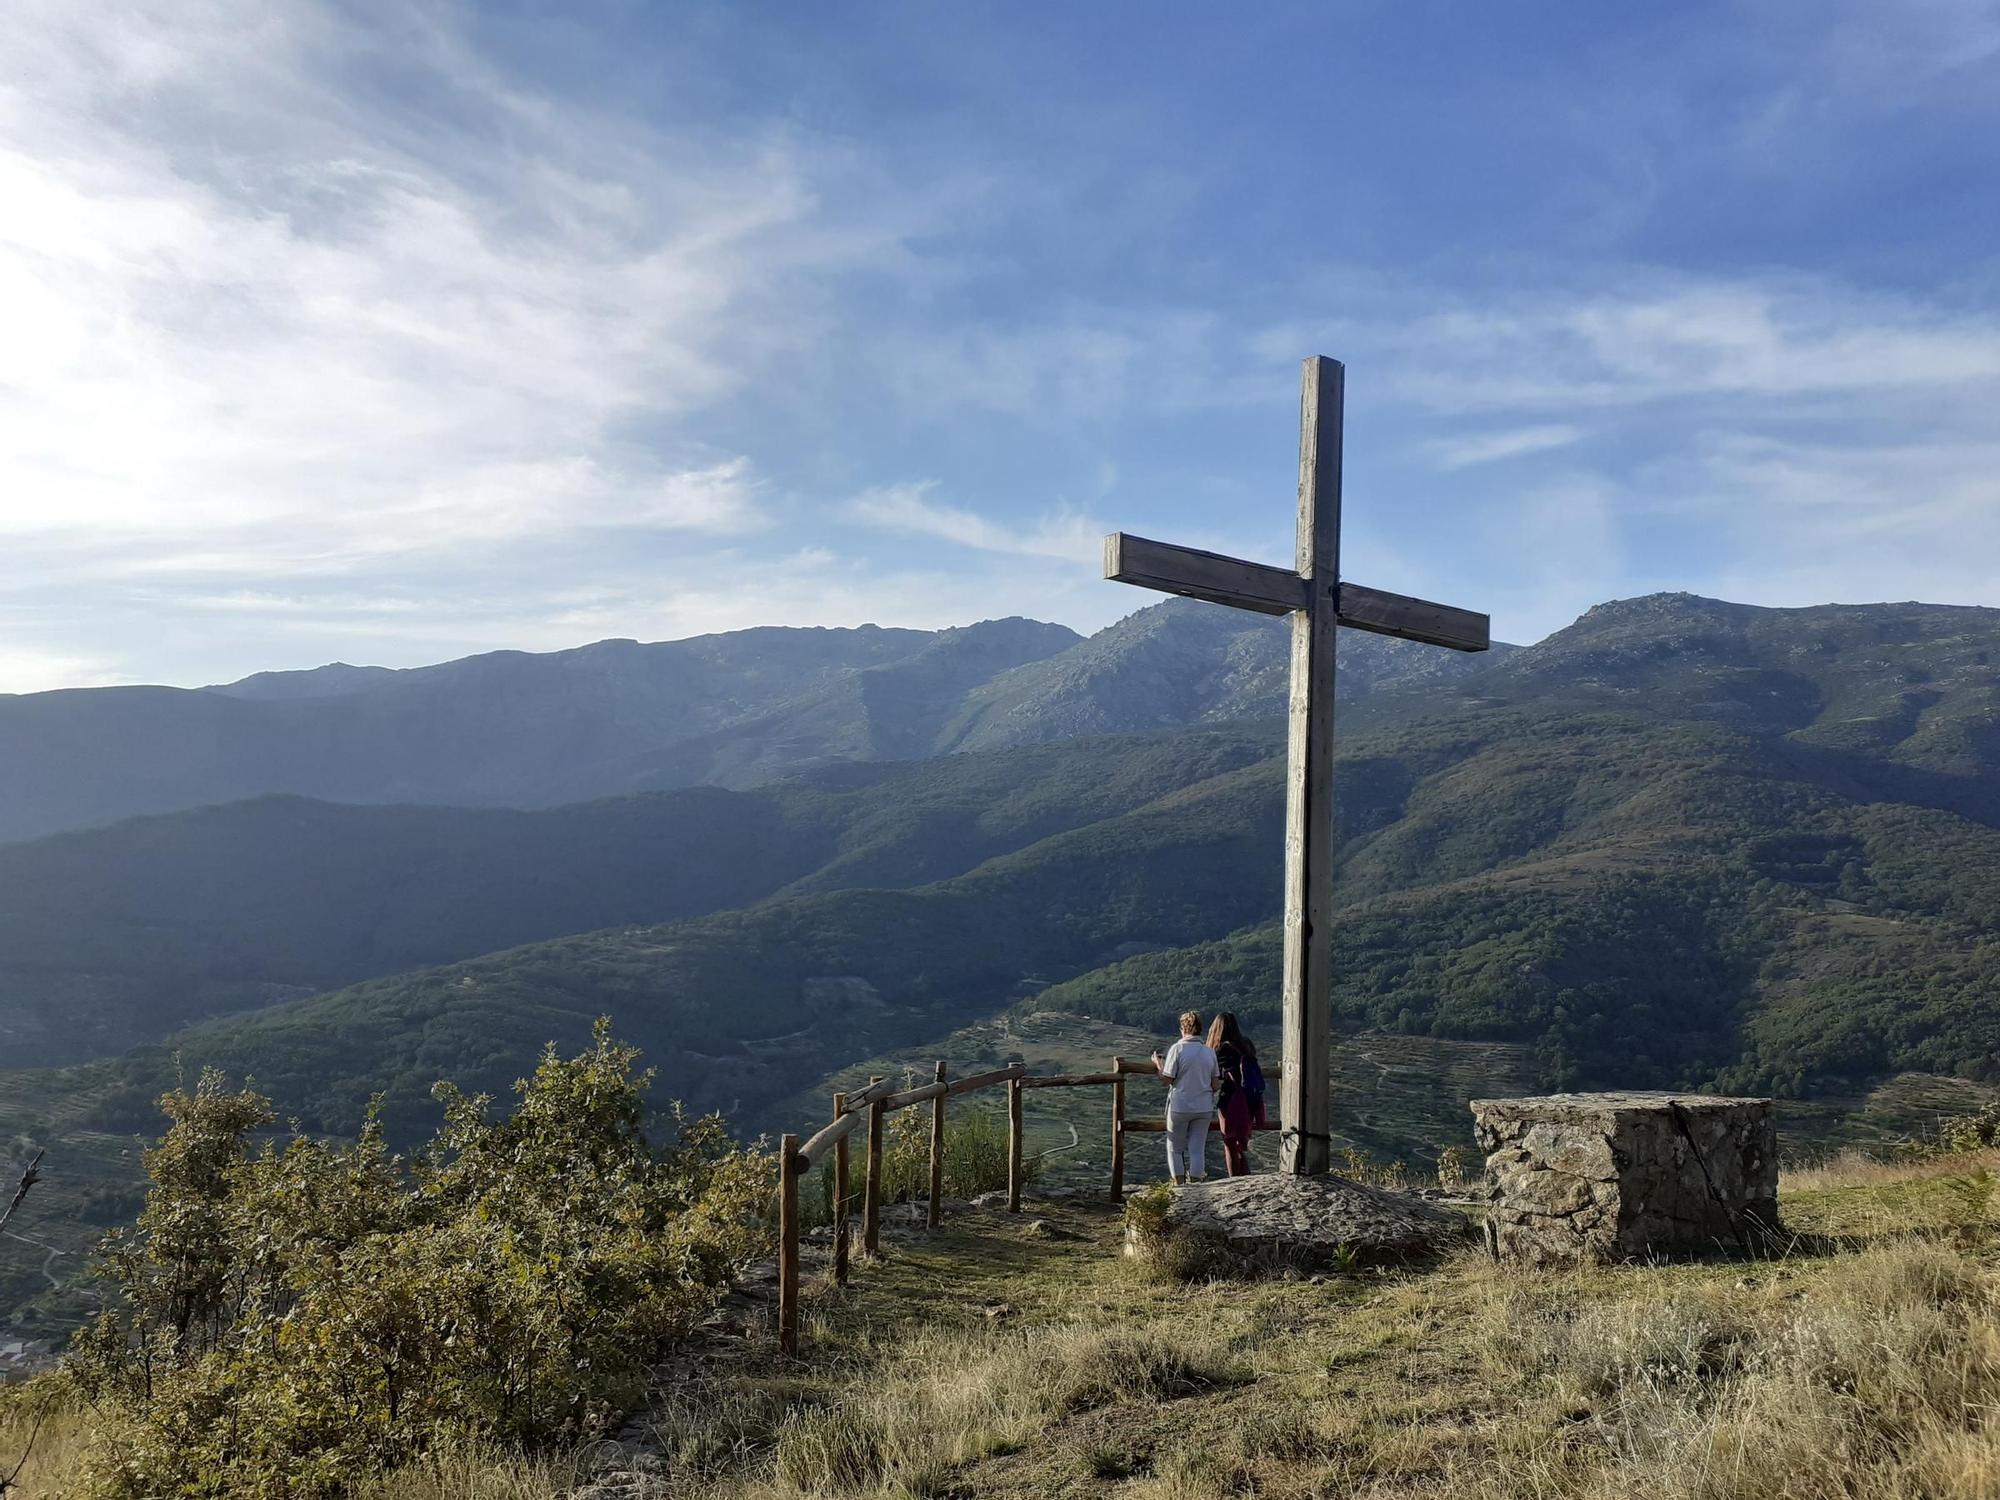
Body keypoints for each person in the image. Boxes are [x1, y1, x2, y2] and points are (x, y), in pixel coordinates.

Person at [1151, 1010, 1218, 1184]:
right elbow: (1215, 1084)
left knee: (1175, 1147)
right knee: (1197, 1148)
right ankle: (1196, 1183)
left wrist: (1159, 1065)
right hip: (1204, 1106)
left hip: (1181, 1105)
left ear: (1183, 1028)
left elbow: (1167, 1079)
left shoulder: (1177, 1049)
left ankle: (1179, 1185)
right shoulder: (1209, 1052)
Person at [1208, 1012, 1264, 1177]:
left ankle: (1235, 1181)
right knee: (1239, 1142)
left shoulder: (1221, 1049)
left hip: (1231, 1098)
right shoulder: (1246, 1045)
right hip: (1251, 1098)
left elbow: (1217, 1075)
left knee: (1230, 1141)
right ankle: (1245, 1179)